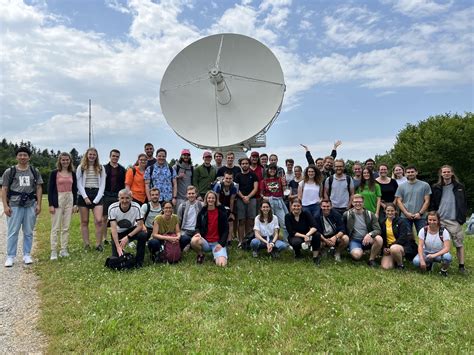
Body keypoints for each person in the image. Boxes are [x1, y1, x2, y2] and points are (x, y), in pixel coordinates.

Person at [2, 146, 43, 267]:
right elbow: (4, 189)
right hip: (14, 205)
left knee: (28, 231)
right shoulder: (10, 171)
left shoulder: (34, 171)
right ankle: (10, 256)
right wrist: (5, 205)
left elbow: (39, 187)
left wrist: (39, 204)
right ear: (16, 157)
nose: (22, 157)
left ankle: (27, 254)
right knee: (13, 231)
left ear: (29, 157)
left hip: (30, 204)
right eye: (20, 155)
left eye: (25, 155)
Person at [430, 165, 468, 273]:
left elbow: (464, 203)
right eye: (444, 172)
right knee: (436, 243)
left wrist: (462, 218)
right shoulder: (436, 187)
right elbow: (433, 203)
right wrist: (433, 216)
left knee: (458, 244)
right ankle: (434, 263)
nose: (446, 174)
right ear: (441, 174)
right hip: (440, 219)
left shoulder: (459, 187)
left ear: (452, 173)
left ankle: (461, 266)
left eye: (448, 172)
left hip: (454, 220)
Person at [48, 152, 77, 260]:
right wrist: (51, 204)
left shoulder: (72, 173)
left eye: (67, 160)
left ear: (70, 161)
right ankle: (54, 251)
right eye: (63, 160)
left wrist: (75, 204)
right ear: (60, 161)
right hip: (58, 199)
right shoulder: (54, 173)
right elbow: (50, 189)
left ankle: (64, 249)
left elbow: (75, 189)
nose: (65, 161)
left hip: (69, 198)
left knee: (66, 227)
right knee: (55, 227)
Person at [108, 189, 148, 268]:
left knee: (143, 235)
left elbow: (140, 225)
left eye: (127, 198)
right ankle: (123, 253)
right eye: (122, 198)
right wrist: (118, 246)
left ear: (131, 198)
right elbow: (113, 229)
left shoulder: (136, 207)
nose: (125, 201)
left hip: (132, 230)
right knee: (117, 258)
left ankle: (139, 261)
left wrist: (128, 237)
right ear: (118, 199)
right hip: (118, 233)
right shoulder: (112, 208)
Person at [76, 147, 106, 251]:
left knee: (99, 220)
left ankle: (98, 244)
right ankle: (86, 244)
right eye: (90, 154)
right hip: (84, 194)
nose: (92, 156)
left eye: (94, 154)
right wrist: (85, 197)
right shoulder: (81, 167)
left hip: (97, 194)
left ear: (96, 156)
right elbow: (78, 183)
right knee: (84, 221)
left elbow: (103, 184)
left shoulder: (101, 167)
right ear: (87, 155)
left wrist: (96, 199)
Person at [191, 191, 229, 267]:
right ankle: (201, 255)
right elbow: (197, 227)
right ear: (206, 199)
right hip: (206, 242)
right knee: (194, 240)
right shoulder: (202, 212)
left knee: (222, 265)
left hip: (217, 242)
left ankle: (217, 256)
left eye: (212, 198)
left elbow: (226, 230)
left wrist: (221, 244)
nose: (210, 200)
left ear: (215, 200)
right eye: (209, 198)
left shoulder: (221, 212)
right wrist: (197, 233)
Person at [343, 194, 383, 267]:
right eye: (355, 202)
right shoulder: (347, 214)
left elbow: (378, 230)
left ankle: (371, 260)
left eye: (360, 202)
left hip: (368, 240)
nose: (358, 203)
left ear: (363, 203)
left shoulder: (370, 214)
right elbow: (343, 228)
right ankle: (357, 250)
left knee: (379, 239)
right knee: (357, 256)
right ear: (352, 203)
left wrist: (369, 234)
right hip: (355, 240)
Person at [412, 211, 452, 276]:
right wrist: (422, 260)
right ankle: (428, 264)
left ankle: (443, 271)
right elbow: (420, 246)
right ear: (427, 220)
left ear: (438, 220)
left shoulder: (443, 231)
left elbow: (447, 248)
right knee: (416, 262)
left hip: (439, 253)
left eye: (434, 220)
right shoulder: (423, 230)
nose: (432, 222)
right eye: (430, 220)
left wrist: (434, 255)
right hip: (426, 253)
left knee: (447, 257)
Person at [380, 203, 417, 270]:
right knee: (386, 267)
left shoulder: (401, 221)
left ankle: (400, 265)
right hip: (388, 248)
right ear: (385, 211)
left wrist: (391, 246)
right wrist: (384, 248)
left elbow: (402, 238)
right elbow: (382, 237)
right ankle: (394, 259)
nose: (390, 212)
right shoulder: (383, 222)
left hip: (400, 246)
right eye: (388, 210)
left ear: (395, 211)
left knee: (394, 248)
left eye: (392, 211)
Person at [395, 165, 431, 234]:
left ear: (416, 172)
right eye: (408, 172)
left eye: (412, 172)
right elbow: (399, 201)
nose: (410, 174)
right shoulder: (401, 186)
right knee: (407, 237)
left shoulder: (425, 185)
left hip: (421, 216)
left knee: (424, 235)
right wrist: (406, 213)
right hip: (405, 216)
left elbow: (427, 201)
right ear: (405, 174)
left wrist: (420, 213)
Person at [285, 198, 321, 264]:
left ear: (301, 206)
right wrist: (304, 236)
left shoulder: (306, 213)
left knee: (317, 235)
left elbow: (315, 226)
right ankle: (297, 253)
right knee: (296, 242)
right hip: (295, 236)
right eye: (294, 206)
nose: (296, 208)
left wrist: (307, 235)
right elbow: (291, 232)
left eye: (298, 206)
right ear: (291, 206)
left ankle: (315, 257)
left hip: (307, 233)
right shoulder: (288, 216)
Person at [101, 149, 126, 245]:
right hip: (106, 195)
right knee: (105, 218)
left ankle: (116, 236)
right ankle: (104, 238)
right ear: (110, 156)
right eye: (113, 156)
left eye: (117, 156)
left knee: (117, 218)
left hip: (117, 196)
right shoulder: (103, 168)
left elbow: (124, 184)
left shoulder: (122, 169)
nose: (115, 158)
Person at [260, 163, 289, 242]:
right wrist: (264, 197)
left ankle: (286, 241)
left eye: (274, 169)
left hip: (279, 202)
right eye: (270, 169)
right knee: (270, 223)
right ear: (268, 170)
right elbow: (261, 193)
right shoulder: (264, 181)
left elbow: (285, 191)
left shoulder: (279, 179)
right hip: (269, 203)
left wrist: (284, 184)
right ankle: (270, 241)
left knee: (284, 223)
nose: (272, 171)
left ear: (276, 171)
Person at [235, 158, 259, 245]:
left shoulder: (254, 175)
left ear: (249, 164)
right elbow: (236, 188)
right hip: (240, 200)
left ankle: (248, 240)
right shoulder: (237, 176)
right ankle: (241, 241)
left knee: (250, 221)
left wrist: (248, 197)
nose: (244, 165)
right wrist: (243, 197)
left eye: (246, 163)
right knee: (241, 220)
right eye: (243, 163)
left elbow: (255, 188)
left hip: (252, 199)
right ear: (240, 165)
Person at [213, 172, 237, 244]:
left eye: (230, 178)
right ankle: (218, 238)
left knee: (230, 220)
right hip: (218, 204)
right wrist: (221, 210)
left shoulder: (234, 187)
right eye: (227, 178)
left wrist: (231, 212)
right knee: (218, 221)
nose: (228, 180)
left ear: (232, 179)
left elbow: (232, 200)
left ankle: (229, 240)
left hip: (227, 204)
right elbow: (216, 200)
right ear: (224, 178)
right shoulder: (218, 185)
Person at [177, 185, 203, 251]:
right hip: (185, 230)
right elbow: (178, 220)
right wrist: (178, 232)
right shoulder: (182, 206)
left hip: (197, 230)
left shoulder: (201, 205)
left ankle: (191, 243)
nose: (191, 195)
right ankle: (188, 243)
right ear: (186, 195)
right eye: (189, 193)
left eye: (193, 193)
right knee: (185, 249)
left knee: (198, 243)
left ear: (196, 194)